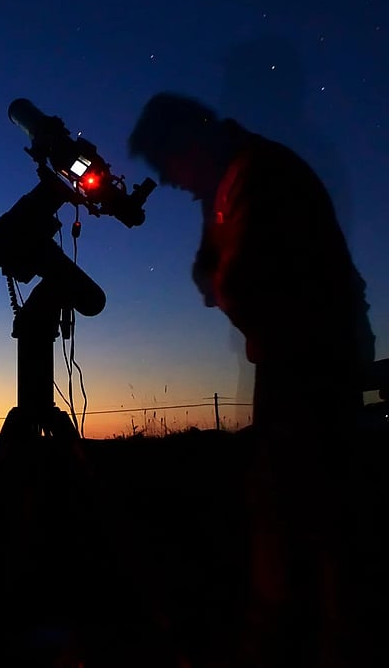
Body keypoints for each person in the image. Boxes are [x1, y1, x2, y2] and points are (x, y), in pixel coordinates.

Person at [128, 91, 376, 667]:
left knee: (304, 511)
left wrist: (222, 279)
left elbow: (239, 282)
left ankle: (312, 638)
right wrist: (216, 270)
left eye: (168, 165)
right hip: (299, 358)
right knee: (296, 507)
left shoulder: (260, 177)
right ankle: (304, 628)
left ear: (192, 139)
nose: (169, 181)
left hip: (311, 362)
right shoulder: (232, 179)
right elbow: (214, 267)